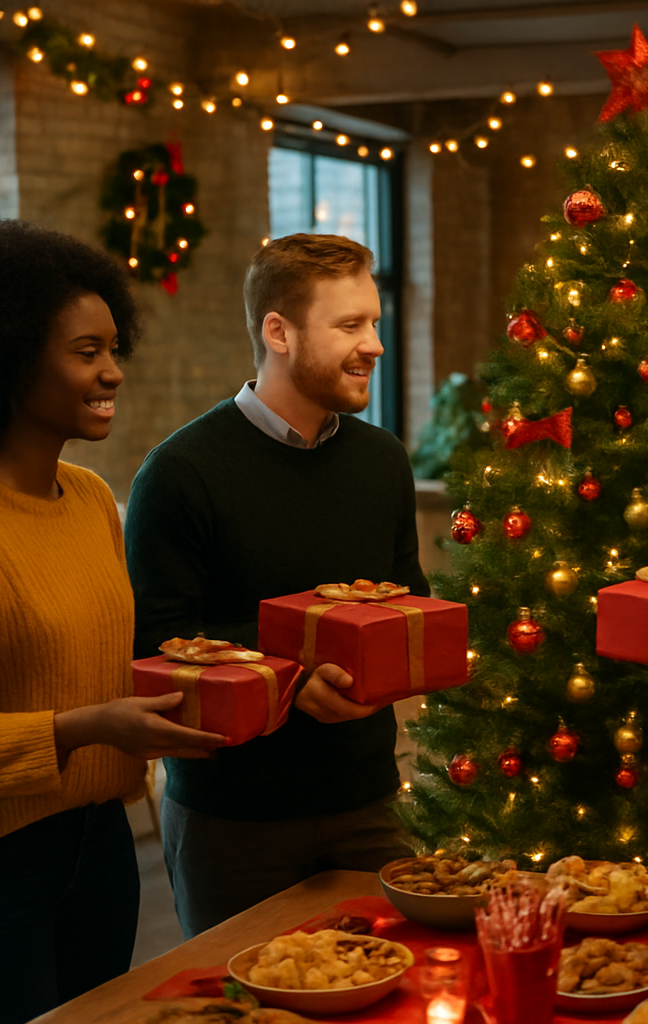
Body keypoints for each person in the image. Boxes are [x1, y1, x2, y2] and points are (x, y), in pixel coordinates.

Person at [0, 219, 227, 1024]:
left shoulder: (93, 499)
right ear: (5, 356)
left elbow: (93, 656)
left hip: (98, 846)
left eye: (111, 347)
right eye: (85, 352)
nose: (112, 372)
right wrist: (82, 728)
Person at [125, 233, 424, 939]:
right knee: (240, 1004)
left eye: (374, 322)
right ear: (278, 332)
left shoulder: (382, 460)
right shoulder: (179, 472)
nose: (375, 345)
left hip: (368, 802)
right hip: (233, 819)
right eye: (350, 326)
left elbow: (406, 601)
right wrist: (292, 680)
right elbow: (159, 647)